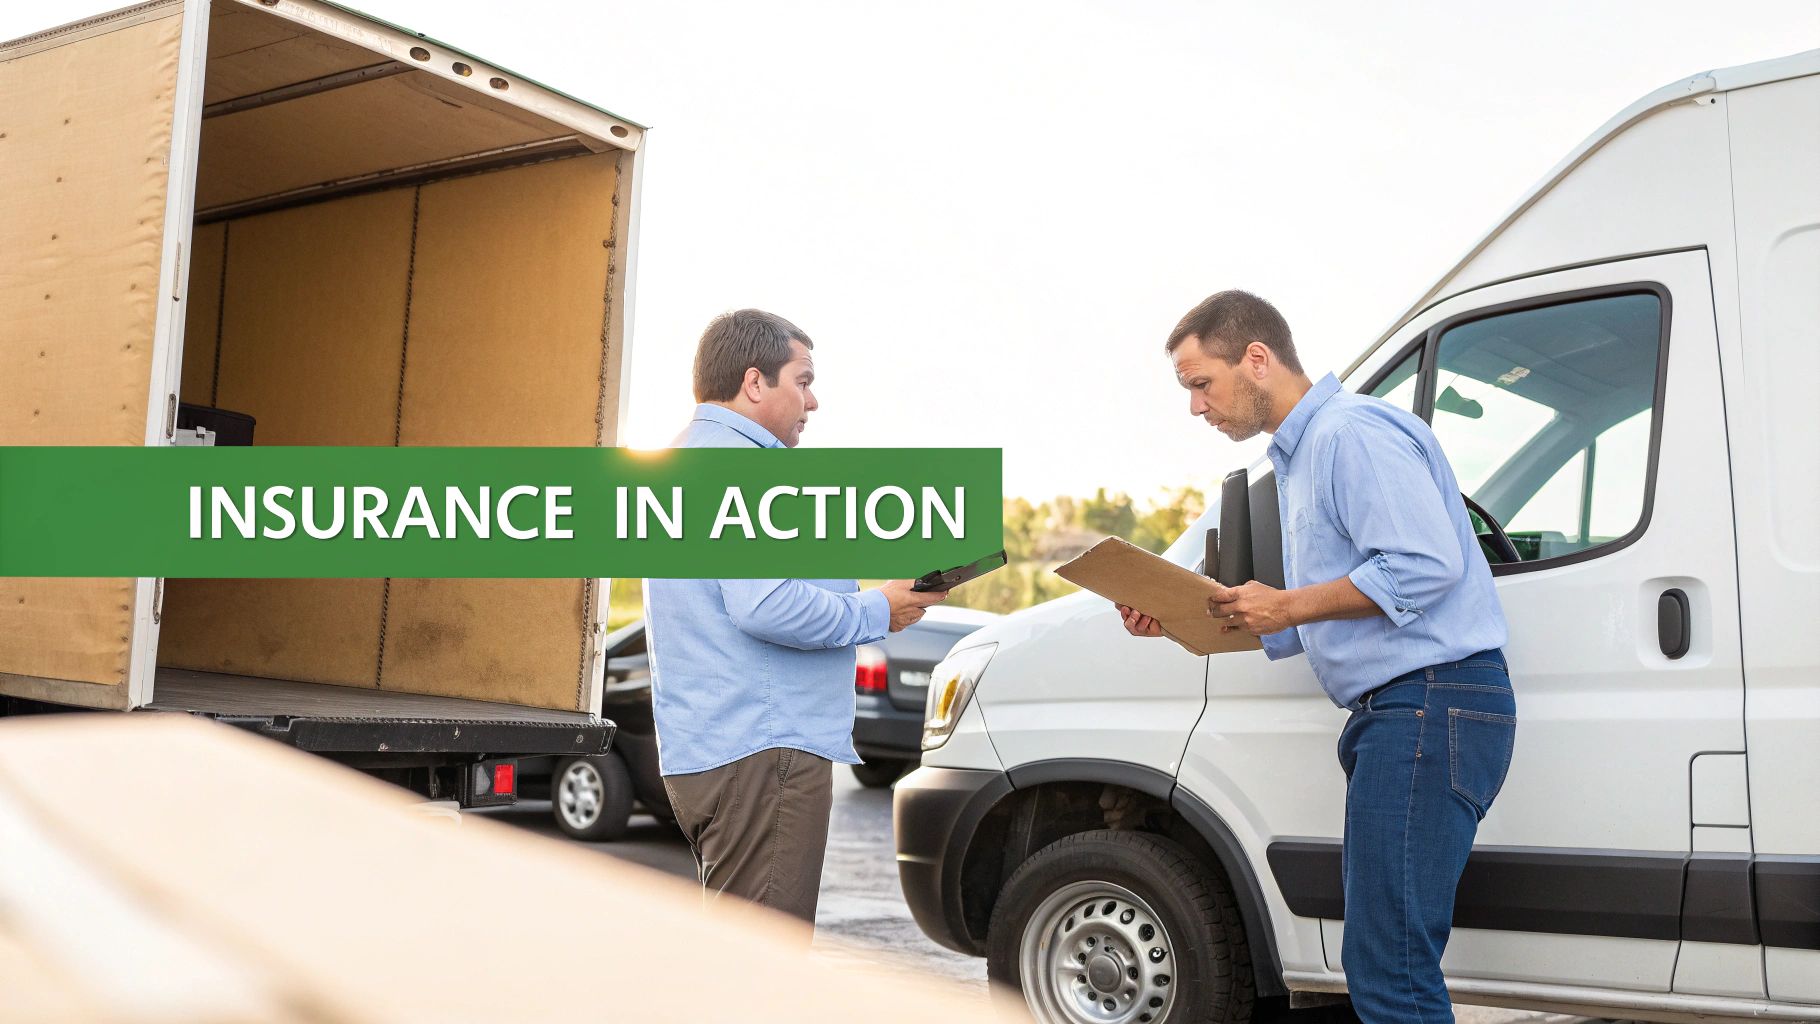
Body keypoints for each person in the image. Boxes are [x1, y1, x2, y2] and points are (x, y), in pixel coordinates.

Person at [1118, 290, 1515, 1023]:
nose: (1196, 408)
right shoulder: (1306, 456)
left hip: (1428, 702)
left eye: (1201, 384)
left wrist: (1290, 603)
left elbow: (1425, 564)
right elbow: (1310, 613)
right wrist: (1179, 618)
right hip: (1411, 709)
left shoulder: (1348, 433)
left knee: (1389, 964)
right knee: (1384, 957)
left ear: (1258, 359)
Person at [645, 308, 946, 931]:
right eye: (802, 381)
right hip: (765, 752)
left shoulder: (680, 462)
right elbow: (764, 603)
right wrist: (876, 609)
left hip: (712, 751)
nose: (814, 400)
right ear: (755, 383)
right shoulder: (748, 471)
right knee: (762, 972)